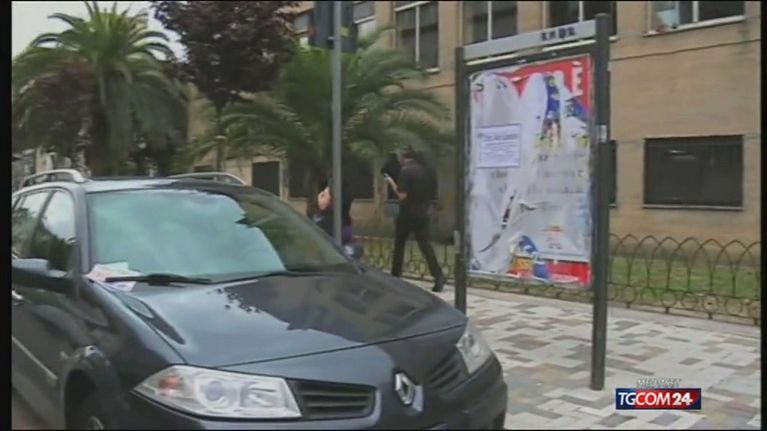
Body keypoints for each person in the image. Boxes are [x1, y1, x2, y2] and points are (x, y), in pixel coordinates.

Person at [385, 149, 445, 292]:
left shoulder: (406, 171)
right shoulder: (426, 171)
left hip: (407, 214)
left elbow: (402, 195)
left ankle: (395, 276)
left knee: (399, 246)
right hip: (423, 213)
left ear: (404, 158)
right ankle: (438, 276)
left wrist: (391, 183)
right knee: (426, 247)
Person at [313, 178, 354, 245]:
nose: (320, 196)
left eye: (324, 195)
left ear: (333, 201)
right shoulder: (343, 221)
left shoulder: (329, 224)